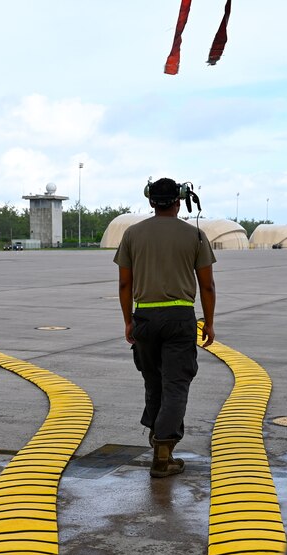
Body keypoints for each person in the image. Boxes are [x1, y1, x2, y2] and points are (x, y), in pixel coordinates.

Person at [114, 178, 216, 478]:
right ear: (180, 200)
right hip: (180, 318)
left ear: (150, 201)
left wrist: (128, 320)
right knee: (176, 385)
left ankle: (157, 438)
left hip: (145, 317)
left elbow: (124, 283)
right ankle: (163, 452)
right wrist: (208, 323)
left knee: (153, 382)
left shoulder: (132, 234)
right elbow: (207, 285)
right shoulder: (194, 235)